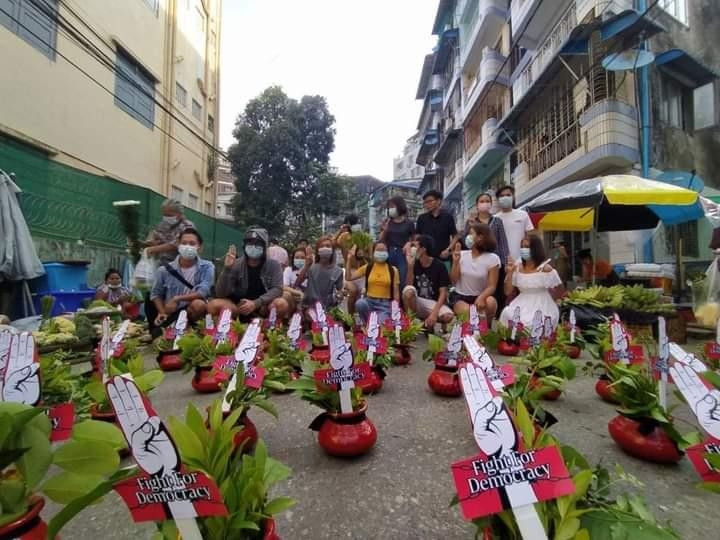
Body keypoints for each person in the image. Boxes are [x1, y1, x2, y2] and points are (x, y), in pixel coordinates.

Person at [209, 227, 289, 321]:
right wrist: (227, 269)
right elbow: (220, 293)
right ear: (244, 246)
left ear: (264, 247)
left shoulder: (274, 265)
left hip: (262, 307)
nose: (253, 247)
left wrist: (256, 303)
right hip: (238, 306)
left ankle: (269, 327)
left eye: (258, 244)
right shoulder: (235, 264)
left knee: (281, 304)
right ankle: (230, 327)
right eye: (250, 243)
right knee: (213, 305)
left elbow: (278, 289)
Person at [149, 228, 214, 338]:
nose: (187, 246)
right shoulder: (164, 270)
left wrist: (177, 299)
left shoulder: (207, 267)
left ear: (200, 247)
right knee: (159, 336)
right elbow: (156, 294)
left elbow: (203, 291)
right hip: (172, 312)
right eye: (184, 243)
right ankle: (173, 329)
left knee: (199, 304)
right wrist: (162, 312)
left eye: (192, 243)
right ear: (178, 245)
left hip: (192, 311)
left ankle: (194, 330)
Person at [500, 236, 563, 328]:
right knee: (507, 314)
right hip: (521, 303)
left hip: (542, 304)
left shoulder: (545, 269)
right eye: (522, 247)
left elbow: (560, 288)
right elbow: (507, 292)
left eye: (526, 247)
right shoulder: (517, 268)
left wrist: (552, 300)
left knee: (533, 322)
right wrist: (510, 273)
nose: (523, 250)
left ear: (535, 249)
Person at [449, 223, 500, 320]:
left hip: (481, 295)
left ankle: (485, 331)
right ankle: (469, 332)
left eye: (471, 234)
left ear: (480, 237)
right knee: (468, 312)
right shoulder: (462, 255)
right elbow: (453, 281)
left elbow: (492, 286)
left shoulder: (493, 258)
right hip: (461, 296)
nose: (468, 237)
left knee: (491, 302)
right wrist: (455, 263)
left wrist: (481, 297)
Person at [402, 235, 454, 329]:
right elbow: (409, 286)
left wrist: (434, 314)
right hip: (418, 300)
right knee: (408, 292)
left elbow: (443, 292)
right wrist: (410, 266)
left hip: (433, 302)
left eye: (416, 246)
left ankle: (428, 324)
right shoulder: (414, 263)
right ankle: (410, 325)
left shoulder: (439, 266)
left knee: (448, 316)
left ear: (423, 249)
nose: (413, 249)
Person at [345, 241, 400, 323]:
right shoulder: (368, 267)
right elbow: (349, 277)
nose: (381, 253)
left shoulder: (393, 270)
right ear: (373, 252)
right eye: (378, 250)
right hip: (369, 301)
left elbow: (396, 293)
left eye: (383, 251)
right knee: (360, 304)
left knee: (380, 325)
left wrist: (395, 310)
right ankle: (367, 324)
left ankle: (374, 325)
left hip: (384, 304)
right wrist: (349, 259)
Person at [475, 192, 510, 315]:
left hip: (495, 262)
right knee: (481, 288)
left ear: (491, 204)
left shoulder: (497, 221)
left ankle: (498, 314)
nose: (484, 204)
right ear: (477, 205)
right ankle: (480, 313)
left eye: (487, 201)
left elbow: (503, 242)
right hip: (478, 261)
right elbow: (467, 241)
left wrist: (505, 261)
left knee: (497, 289)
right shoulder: (472, 222)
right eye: (481, 201)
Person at [296, 236, 344, 313]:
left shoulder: (338, 271)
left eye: (328, 246)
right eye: (322, 246)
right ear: (318, 250)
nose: (325, 248)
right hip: (309, 307)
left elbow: (340, 291)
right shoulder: (311, 267)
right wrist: (306, 266)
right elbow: (297, 283)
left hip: (329, 308)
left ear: (332, 250)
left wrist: (341, 295)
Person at [144, 198, 195, 264]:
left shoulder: (188, 226)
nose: (165, 217)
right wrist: (151, 239)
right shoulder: (163, 224)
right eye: (164, 214)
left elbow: (175, 244)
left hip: (180, 265)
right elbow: (154, 233)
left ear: (179, 214)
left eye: (169, 215)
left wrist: (153, 249)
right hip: (162, 263)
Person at [380, 196, 415, 288]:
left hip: (403, 253)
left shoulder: (409, 223)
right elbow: (381, 241)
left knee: (402, 281)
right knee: (390, 281)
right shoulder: (388, 222)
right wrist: (385, 230)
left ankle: (401, 301)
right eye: (389, 207)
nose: (390, 209)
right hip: (389, 252)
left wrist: (409, 243)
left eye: (392, 206)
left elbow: (414, 239)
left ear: (399, 206)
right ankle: (393, 303)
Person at [416, 189, 458, 264]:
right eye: (425, 202)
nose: (427, 204)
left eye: (430, 201)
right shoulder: (421, 218)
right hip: (426, 260)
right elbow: (417, 237)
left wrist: (448, 250)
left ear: (438, 201)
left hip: (443, 258)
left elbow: (455, 236)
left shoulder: (448, 217)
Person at [494, 185, 534, 262]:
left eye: (508, 195)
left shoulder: (523, 214)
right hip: (501, 262)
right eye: (502, 196)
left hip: (522, 260)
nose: (505, 197)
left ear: (513, 197)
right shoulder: (494, 219)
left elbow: (530, 236)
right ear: (498, 199)